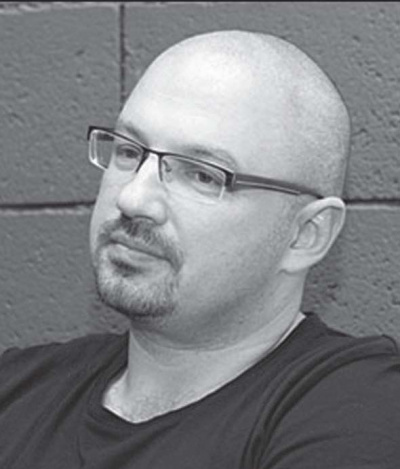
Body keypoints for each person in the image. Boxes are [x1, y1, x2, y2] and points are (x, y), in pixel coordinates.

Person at [1, 30, 399, 469]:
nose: (133, 199)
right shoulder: (16, 392)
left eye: (203, 175)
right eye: (129, 152)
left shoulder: (359, 412)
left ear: (305, 234)